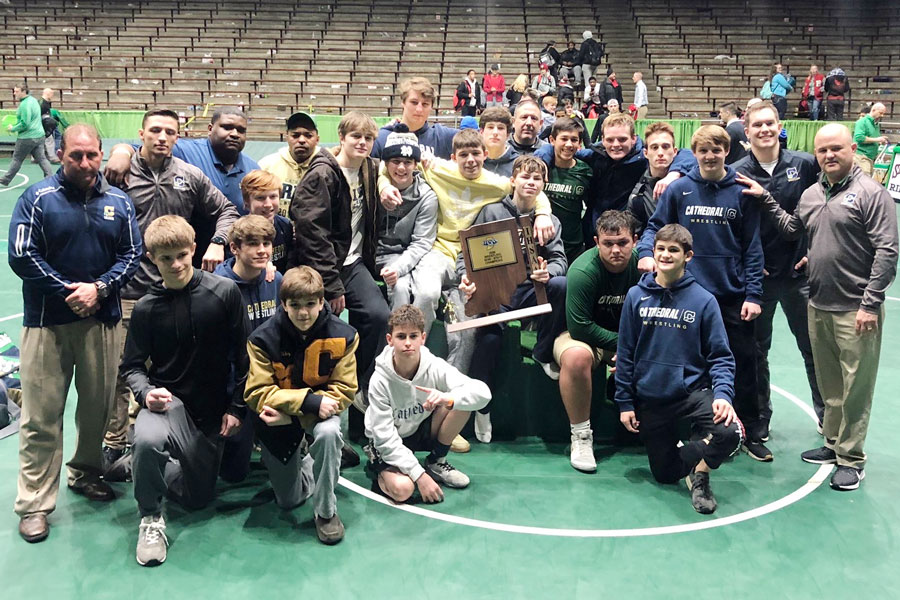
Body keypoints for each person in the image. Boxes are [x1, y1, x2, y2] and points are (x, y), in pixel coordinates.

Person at [378, 129, 556, 444]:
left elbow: (531, 186)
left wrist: (544, 212)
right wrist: (381, 183)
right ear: (454, 157)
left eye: (476, 155)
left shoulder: (497, 182)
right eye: (464, 155)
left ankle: (444, 411)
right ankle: (405, 369)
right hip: (436, 253)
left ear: (485, 156)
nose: (470, 160)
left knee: (468, 328)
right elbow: (387, 164)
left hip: (469, 265)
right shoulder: (436, 168)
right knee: (427, 294)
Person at [9, 124, 142, 543]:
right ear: (60, 154)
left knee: (96, 410)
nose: (85, 164)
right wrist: (68, 290)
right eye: (75, 156)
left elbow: (132, 253)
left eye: (92, 155)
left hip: (101, 322)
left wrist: (99, 289)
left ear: (101, 154)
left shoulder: (119, 202)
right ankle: (34, 503)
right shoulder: (37, 198)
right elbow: (20, 254)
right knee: (41, 417)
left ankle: (84, 474)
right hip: (48, 323)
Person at [752, 123, 898, 491]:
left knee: (856, 388)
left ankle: (852, 459)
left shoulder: (870, 193)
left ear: (851, 149)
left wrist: (871, 303)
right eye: (822, 151)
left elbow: (887, 251)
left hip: (856, 310)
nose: (829, 155)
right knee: (830, 383)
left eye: (836, 148)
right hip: (818, 303)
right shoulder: (812, 194)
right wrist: (766, 199)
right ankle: (832, 444)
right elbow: (791, 230)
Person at [102, 109, 240, 475]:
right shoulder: (120, 172)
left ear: (178, 137)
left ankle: (161, 443)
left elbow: (227, 209)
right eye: (155, 130)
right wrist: (120, 150)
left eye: (170, 132)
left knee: (171, 370)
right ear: (141, 134)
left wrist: (218, 242)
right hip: (132, 293)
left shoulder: (188, 175)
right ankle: (115, 444)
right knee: (123, 373)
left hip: (179, 291)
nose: (162, 137)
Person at [637, 124, 769, 462]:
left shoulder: (742, 192)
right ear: (693, 154)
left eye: (716, 150)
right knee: (694, 365)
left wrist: (753, 294)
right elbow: (654, 226)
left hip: (730, 296)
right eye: (703, 151)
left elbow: (752, 247)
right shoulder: (679, 189)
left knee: (742, 364)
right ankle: (702, 427)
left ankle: (751, 431)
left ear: (727, 152)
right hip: (686, 296)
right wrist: (646, 253)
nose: (710, 156)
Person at [125, 215, 249, 566]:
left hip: (212, 415)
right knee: (147, 438)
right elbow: (131, 367)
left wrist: (237, 408)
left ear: (194, 249)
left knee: (198, 498)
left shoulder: (224, 293)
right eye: (166, 258)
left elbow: (244, 357)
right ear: (152, 258)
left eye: (182, 254)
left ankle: (144, 466)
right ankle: (150, 516)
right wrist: (146, 393)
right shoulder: (146, 309)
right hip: (169, 408)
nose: (176, 264)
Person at [616, 224, 742, 514]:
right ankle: (695, 454)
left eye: (674, 250)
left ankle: (702, 473)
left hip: (691, 393)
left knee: (729, 433)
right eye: (660, 248)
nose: (665, 255)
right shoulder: (636, 296)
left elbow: (721, 356)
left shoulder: (704, 301)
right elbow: (625, 353)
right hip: (652, 396)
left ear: (688, 256)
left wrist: (723, 395)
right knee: (663, 474)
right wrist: (624, 401)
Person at [292, 111, 389, 443]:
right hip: (322, 270)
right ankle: (309, 420)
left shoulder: (369, 168)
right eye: (355, 137)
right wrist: (330, 284)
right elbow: (311, 233)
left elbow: (390, 174)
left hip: (354, 264)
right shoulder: (322, 174)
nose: (362, 143)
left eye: (368, 138)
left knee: (378, 317)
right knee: (318, 337)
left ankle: (361, 398)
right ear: (341, 138)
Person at [244, 266, 357, 542]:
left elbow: (345, 389)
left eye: (310, 304)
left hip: (316, 415)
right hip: (282, 417)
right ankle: (318, 458)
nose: (303, 313)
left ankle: (326, 512)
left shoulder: (346, 334)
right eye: (294, 305)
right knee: (288, 500)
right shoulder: (261, 338)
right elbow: (257, 391)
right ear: (283, 304)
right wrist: (307, 402)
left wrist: (298, 414)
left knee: (329, 434)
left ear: (322, 302)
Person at [732, 101, 823, 436]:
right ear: (747, 130)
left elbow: (824, 211)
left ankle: (826, 416)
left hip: (801, 276)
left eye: (770, 123)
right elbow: (735, 225)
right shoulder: (738, 170)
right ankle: (759, 419)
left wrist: (813, 251)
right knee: (757, 353)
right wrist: (749, 267)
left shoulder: (806, 164)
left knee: (813, 349)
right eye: (757, 125)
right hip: (761, 281)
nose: (765, 130)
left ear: (779, 125)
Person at [460, 155, 567, 440]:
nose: (531, 183)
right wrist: (468, 279)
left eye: (537, 179)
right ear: (513, 181)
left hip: (532, 289)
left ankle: (543, 352)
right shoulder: (491, 212)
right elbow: (467, 254)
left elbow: (560, 260)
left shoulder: (550, 220)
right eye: (525, 177)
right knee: (491, 339)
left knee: (562, 286)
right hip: (499, 291)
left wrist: (550, 273)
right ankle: (483, 407)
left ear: (544, 185)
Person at [364, 305, 491, 503]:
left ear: (423, 338)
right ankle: (380, 470)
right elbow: (385, 439)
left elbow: (483, 393)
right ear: (390, 340)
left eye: (413, 336)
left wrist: (447, 399)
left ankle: (436, 461)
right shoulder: (380, 380)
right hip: (390, 441)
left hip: (419, 428)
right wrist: (419, 477)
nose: (408, 343)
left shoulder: (433, 365)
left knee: (459, 401)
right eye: (401, 336)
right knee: (403, 490)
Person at [554, 210, 640, 472]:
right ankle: (581, 436)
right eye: (608, 244)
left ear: (634, 241)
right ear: (596, 242)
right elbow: (579, 327)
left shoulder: (644, 267)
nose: (616, 250)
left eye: (622, 243)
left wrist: (630, 348)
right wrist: (622, 346)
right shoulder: (583, 270)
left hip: (625, 338)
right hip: (581, 336)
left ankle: (660, 427)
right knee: (576, 357)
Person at [213, 214, 282, 482]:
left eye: (267, 243)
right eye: (253, 243)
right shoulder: (219, 288)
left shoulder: (275, 280)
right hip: (234, 389)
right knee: (233, 475)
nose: (262, 250)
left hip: (270, 386)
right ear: (234, 248)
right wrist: (231, 406)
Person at [376, 125, 440, 334]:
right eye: (396, 161)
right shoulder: (374, 187)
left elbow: (422, 242)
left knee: (425, 291)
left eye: (407, 162)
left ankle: (416, 344)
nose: (401, 168)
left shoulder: (427, 196)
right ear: (386, 164)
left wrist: (400, 268)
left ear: (415, 164)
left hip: (412, 256)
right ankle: (397, 345)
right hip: (380, 255)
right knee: (400, 287)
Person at [372, 77, 458, 160]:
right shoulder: (381, 138)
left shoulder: (443, 137)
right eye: (414, 102)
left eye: (425, 104)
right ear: (403, 102)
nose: (419, 109)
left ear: (431, 107)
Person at [545, 117, 593, 263]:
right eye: (564, 138)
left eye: (574, 140)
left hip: (574, 247)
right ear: (552, 140)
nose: (568, 144)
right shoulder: (542, 168)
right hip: (544, 245)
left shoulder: (586, 172)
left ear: (579, 143)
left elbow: (592, 207)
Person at [628, 121, 678, 235]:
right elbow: (635, 238)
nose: (660, 153)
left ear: (675, 152)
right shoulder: (637, 197)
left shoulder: (689, 183)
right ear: (646, 153)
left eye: (665, 147)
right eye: (654, 147)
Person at [241, 170, 294, 273]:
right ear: (247, 202)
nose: (268, 204)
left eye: (273, 196)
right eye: (260, 198)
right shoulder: (240, 232)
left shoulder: (285, 226)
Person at [0, 84, 53, 187]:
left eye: (17, 91)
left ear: (23, 91)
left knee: (17, 159)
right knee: (42, 159)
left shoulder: (24, 105)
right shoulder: (33, 100)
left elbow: (25, 123)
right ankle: (50, 178)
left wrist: (13, 128)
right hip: (39, 135)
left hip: (27, 137)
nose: (14, 93)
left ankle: (5, 179)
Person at [480, 106, 519, 177]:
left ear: (507, 134)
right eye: (490, 127)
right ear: (482, 131)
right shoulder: (472, 160)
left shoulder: (518, 164)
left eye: (500, 128)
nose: (495, 132)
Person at [853, 102, 889, 176]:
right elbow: (859, 138)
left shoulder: (876, 124)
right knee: (864, 181)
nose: (882, 115)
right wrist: (877, 139)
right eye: (880, 113)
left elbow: (873, 138)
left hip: (870, 158)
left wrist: (880, 141)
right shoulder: (862, 122)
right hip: (861, 157)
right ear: (874, 110)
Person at [38, 88, 60, 164]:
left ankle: (36, 157)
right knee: (48, 140)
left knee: (41, 141)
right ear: (48, 94)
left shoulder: (44, 102)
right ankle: (52, 157)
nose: (52, 96)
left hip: (43, 124)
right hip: (43, 125)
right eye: (52, 94)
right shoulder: (42, 103)